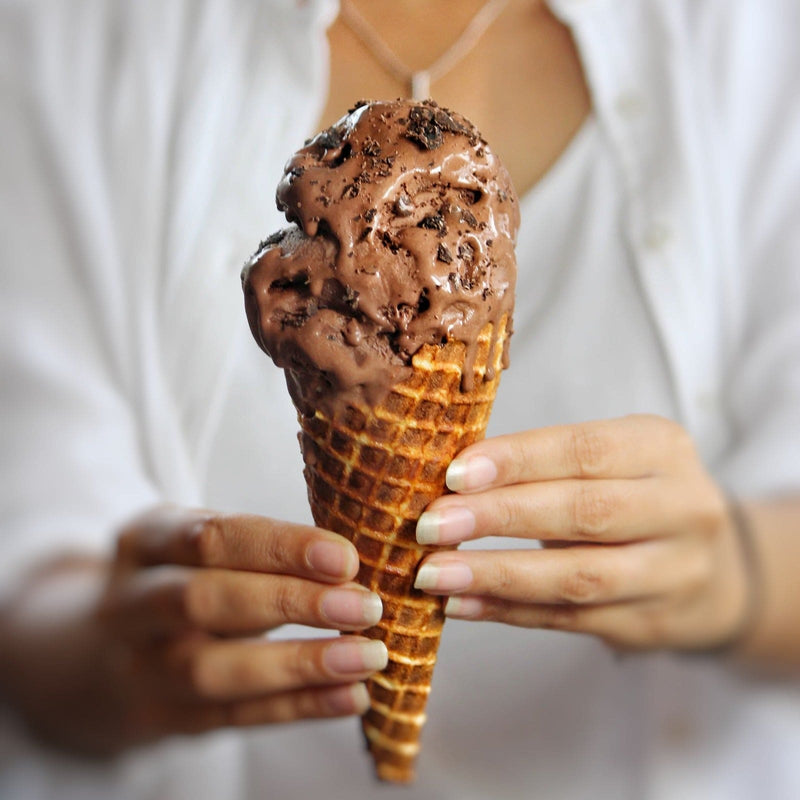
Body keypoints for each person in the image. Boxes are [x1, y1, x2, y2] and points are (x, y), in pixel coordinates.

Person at [1, 1, 799, 798]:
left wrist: (740, 577)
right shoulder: (68, 31)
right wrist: (100, 656)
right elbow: (31, 551)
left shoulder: (754, 35)